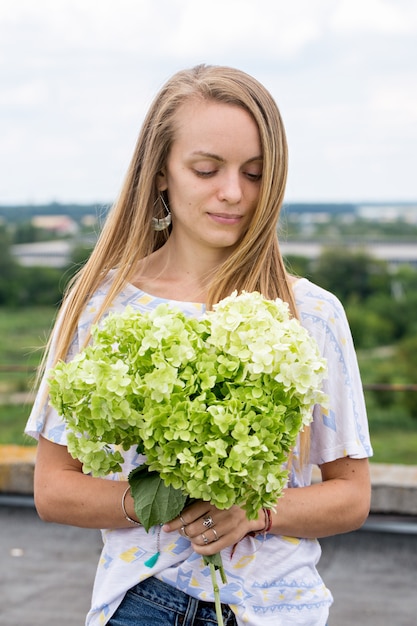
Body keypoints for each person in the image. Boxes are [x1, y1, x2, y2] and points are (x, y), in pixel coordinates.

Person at [26, 64, 372, 626]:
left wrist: (253, 512)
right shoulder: (103, 305)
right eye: (207, 169)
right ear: (161, 172)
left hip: (277, 610)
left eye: (255, 174)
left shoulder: (311, 314)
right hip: (143, 602)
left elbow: (352, 497)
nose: (233, 193)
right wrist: (166, 503)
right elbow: (53, 489)